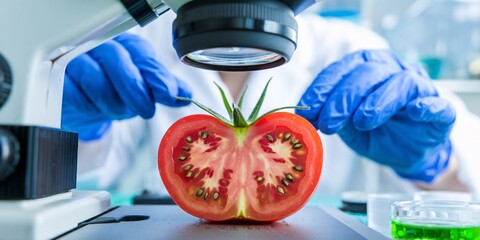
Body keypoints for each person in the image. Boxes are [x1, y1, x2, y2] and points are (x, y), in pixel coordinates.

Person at [62, 11, 480, 200]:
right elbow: (94, 169)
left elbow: (469, 170)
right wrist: (68, 131)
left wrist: (437, 163)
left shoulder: (349, 49)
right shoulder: (137, 49)